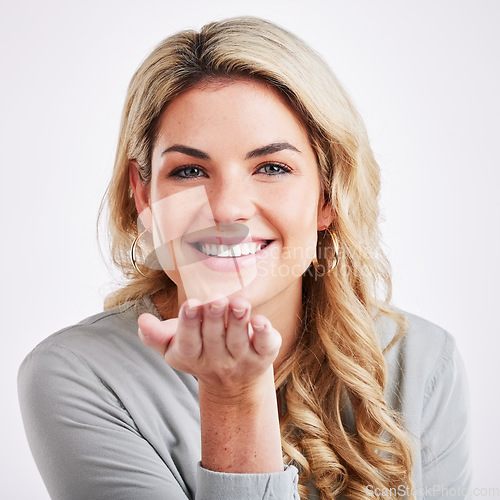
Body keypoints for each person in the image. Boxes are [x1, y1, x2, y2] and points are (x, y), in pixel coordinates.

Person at [18, 16, 471, 500]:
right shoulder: (77, 375)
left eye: (272, 167)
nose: (228, 208)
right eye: (190, 170)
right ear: (144, 195)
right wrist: (232, 397)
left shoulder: (422, 361)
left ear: (327, 197)